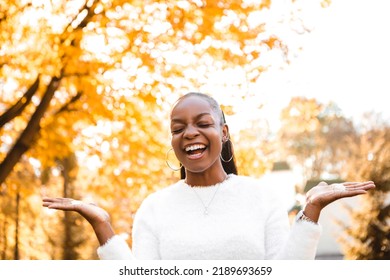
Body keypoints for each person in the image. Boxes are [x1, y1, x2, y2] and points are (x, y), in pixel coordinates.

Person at [42, 92, 375, 260]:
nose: (189, 133)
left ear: (223, 132)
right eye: (178, 128)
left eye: (202, 123)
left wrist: (311, 212)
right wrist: (103, 226)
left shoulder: (261, 197)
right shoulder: (154, 207)